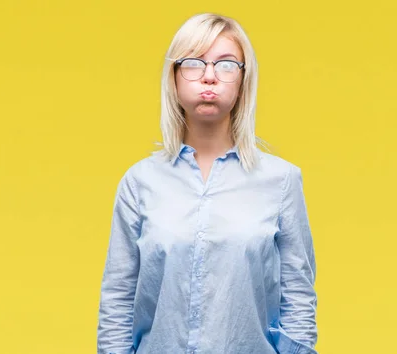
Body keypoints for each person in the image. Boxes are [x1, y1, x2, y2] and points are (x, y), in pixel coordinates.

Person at [96, 13, 318, 354]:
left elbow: (299, 298)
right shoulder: (139, 183)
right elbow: (118, 301)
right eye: (194, 63)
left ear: (244, 80)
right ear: (174, 77)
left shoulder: (282, 181)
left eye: (227, 64)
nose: (210, 76)